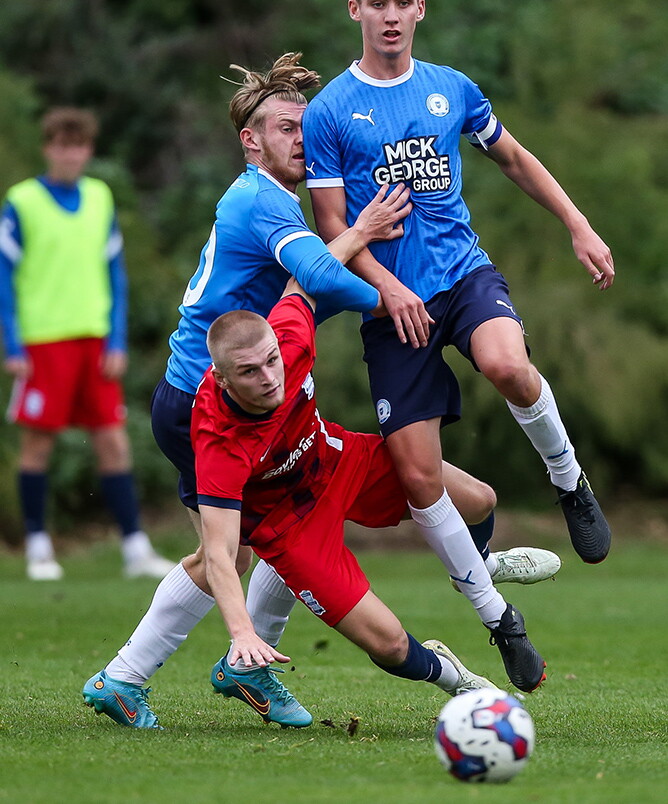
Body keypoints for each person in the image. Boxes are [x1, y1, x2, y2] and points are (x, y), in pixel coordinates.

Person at [82, 54, 551, 731]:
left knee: (264, 532)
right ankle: (153, 673)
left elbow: (307, 296)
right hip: (211, 404)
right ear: (251, 141)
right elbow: (317, 277)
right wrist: (397, 292)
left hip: (262, 392)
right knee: (242, 545)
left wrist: (394, 279)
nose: (301, 140)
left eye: (305, 128)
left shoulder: (279, 201)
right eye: (285, 129)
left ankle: (471, 566)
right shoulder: (260, 200)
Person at [303, 0, 612, 569]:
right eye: (377, 4)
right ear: (355, 10)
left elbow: (514, 159)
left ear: (420, 9)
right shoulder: (329, 110)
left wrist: (577, 224)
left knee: (508, 366)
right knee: (420, 478)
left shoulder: (451, 88)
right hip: (390, 303)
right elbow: (332, 225)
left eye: (402, 3)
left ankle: (568, 478)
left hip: (462, 273)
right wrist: (388, 288)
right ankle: (491, 602)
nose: (391, 16)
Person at [192, 278, 545, 720]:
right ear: (222, 379)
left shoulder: (289, 336)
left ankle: (479, 567)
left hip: (339, 460)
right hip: (291, 527)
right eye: (249, 372)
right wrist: (242, 634)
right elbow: (219, 554)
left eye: (271, 361)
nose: (269, 378)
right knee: (390, 644)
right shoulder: (219, 441)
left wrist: (366, 245)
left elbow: (311, 271)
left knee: (478, 501)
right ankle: (457, 680)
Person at [0, 107, 175, 580]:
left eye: (79, 146)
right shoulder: (22, 201)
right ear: (48, 148)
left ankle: (135, 548)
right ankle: (38, 547)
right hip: (42, 342)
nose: (71, 155)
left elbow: (115, 274)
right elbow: (4, 276)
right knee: (38, 444)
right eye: (62, 145)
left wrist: (116, 339)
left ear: (88, 151)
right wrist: (13, 345)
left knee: (113, 442)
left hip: (95, 342)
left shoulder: (100, 197)